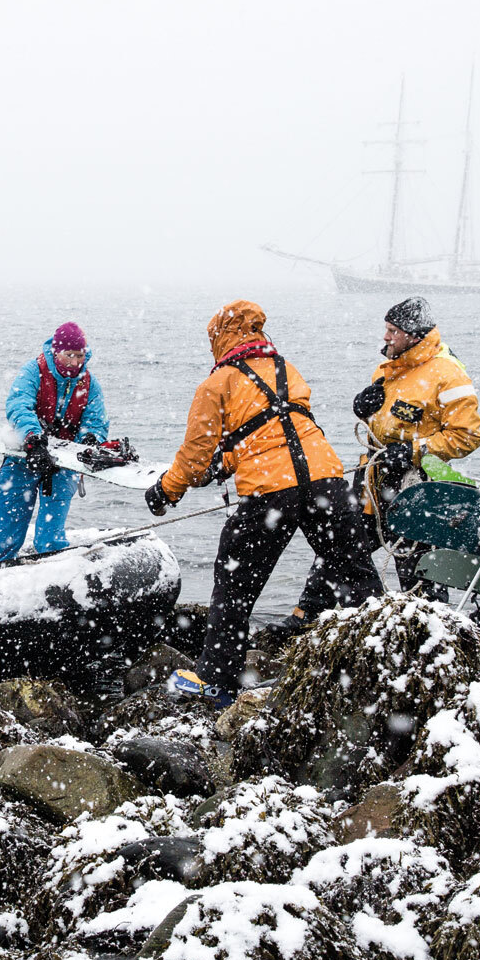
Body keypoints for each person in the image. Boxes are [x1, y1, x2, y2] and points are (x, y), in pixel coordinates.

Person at [142, 300, 384, 708]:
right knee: (356, 576)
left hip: (273, 492)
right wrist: (233, 458)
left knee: (234, 586)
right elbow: (280, 429)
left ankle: (217, 680)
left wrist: (166, 491)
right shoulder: (286, 369)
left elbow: (194, 456)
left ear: (220, 337)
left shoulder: (217, 383)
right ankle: (386, 663)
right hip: (327, 480)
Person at [288, 296, 480, 625]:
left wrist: (413, 450)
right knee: (339, 547)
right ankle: (304, 618)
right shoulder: (388, 367)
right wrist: (363, 409)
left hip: (418, 487)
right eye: (386, 329)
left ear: (414, 334)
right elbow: (386, 419)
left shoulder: (448, 375)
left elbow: (468, 437)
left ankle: (428, 633)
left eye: (393, 331)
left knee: (418, 570)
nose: (386, 337)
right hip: (372, 480)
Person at [0, 322, 110, 565]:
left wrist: (91, 440)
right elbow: (19, 405)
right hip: (26, 453)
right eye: (69, 355)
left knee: (51, 532)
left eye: (80, 356)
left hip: (64, 460)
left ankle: (51, 566)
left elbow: (96, 420)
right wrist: (33, 438)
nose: (75, 362)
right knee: (9, 516)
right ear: (56, 351)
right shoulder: (33, 371)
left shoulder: (90, 384)